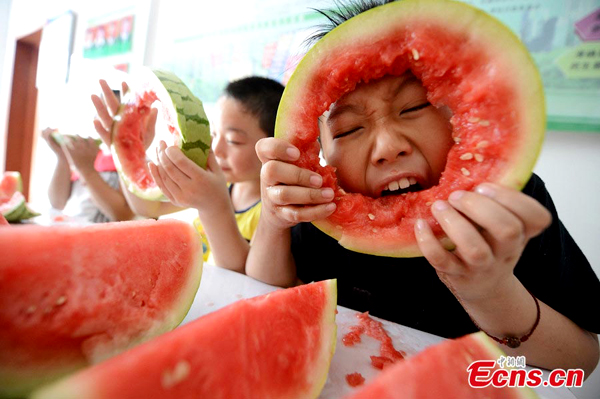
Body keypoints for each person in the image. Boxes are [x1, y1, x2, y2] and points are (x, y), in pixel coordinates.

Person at [245, 0, 600, 377]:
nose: (387, 148)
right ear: (320, 153)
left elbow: (580, 360)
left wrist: (492, 292)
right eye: (348, 129)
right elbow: (267, 291)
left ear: (461, 113)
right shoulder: (321, 211)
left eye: (414, 107)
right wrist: (273, 220)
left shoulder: (510, 204)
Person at [91, 76, 284, 272]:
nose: (216, 149)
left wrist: (213, 206)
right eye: (214, 134)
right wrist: (128, 152)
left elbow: (244, 275)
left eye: (234, 141)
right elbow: (148, 207)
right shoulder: (219, 183)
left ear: (275, 144)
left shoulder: (274, 211)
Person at [41, 127, 134, 223]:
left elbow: (122, 215)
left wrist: (87, 170)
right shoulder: (83, 156)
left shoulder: (126, 161)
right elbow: (57, 203)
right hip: (73, 230)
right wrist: (62, 157)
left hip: (102, 234)